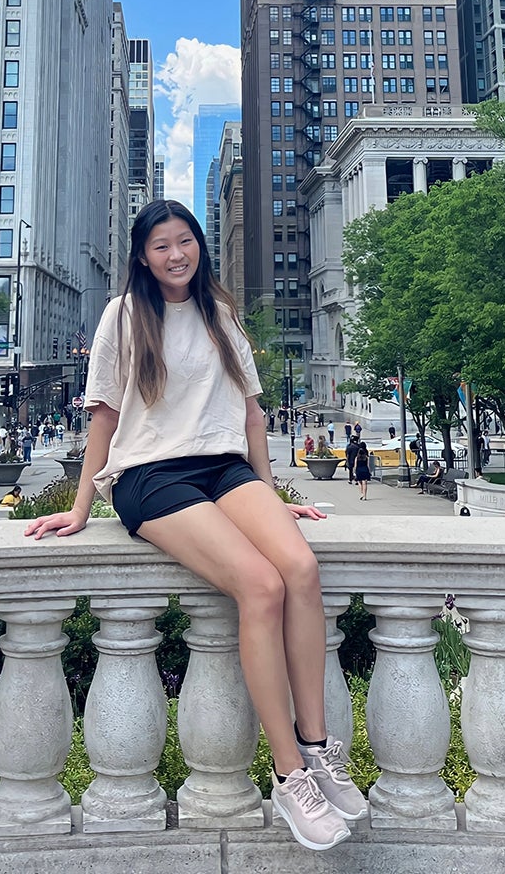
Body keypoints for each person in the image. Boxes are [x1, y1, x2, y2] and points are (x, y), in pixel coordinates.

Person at [24, 199, 366, 852]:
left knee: (300, 566)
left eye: (186, 241)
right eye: (161, 245)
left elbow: (253, 412)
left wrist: (270, 496)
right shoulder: (123, 317)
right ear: (142, 256)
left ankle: (318, 749)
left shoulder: (219, 312)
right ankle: (290, 775)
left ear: (198, 246)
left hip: (223, 468)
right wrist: (80, 505)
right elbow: (103, 414)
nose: (176, 254)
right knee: (261, 586)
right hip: (152, 477)